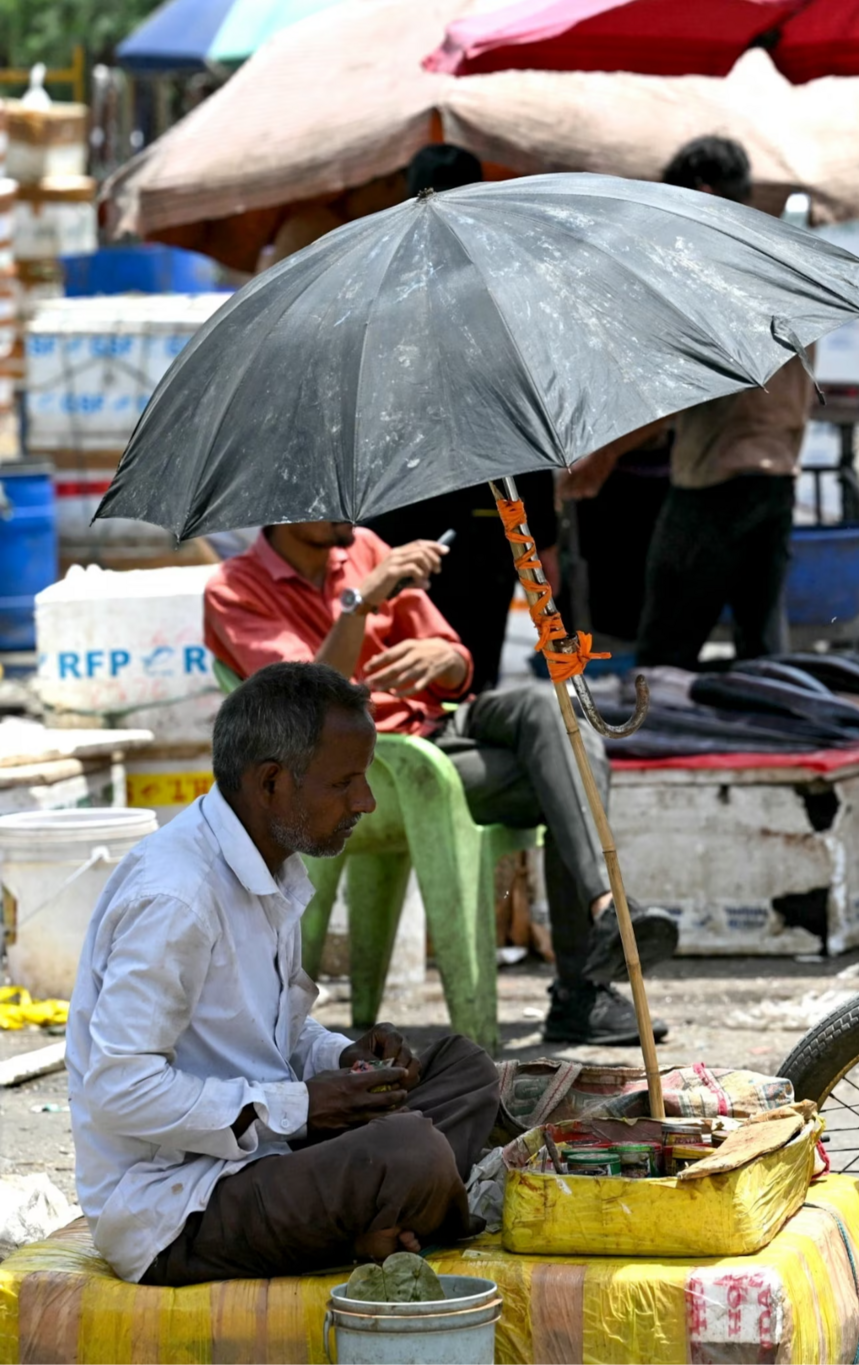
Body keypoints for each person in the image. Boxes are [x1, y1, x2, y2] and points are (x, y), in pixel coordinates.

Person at [69, 663, 506, 1284]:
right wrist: (296, 1109)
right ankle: (399, 1210)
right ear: (271, 781)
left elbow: (267, 1035)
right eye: (345, 782)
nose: (367, 802)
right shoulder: (176, 898)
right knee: (411, 1152)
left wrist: (340, 1059)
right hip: (178, 1204)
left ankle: (386, 1218)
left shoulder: (270, 862)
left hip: (266, 1151)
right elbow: (118, 1089)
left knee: (464, 1069)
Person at [203, 521, 681, 1046]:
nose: (348, 510)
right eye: (331, 501)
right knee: (571, 769)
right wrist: (360, 605)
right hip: (378, 764)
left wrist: (443, 659)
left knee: (555, 713)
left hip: (443, 722)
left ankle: (602, 912)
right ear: (287, 506)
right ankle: (585, 983)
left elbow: (458, 666)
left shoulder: (363, 546)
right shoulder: (233, 590)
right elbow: (304, 711)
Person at [558, 135, 813, 667]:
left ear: (700, 193)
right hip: (777, 481)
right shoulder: (781, 265)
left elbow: (685, 386)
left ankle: (650, 747)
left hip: (714, 486)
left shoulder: (712, 272)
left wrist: (606, 452)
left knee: (663, 654)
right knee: (762, 656)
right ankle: (762, 748)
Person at [367, 144, 561, 693]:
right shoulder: (502, 292)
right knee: (469, 688)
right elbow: (524, 419)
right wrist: (542, 546)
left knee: (398, 686)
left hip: (394, 531)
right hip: (484, 527)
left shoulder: (378, 289)